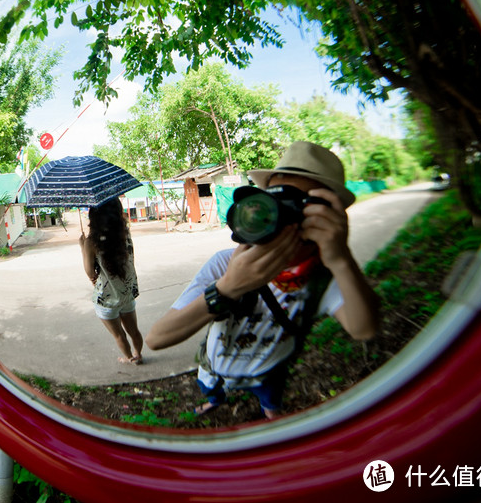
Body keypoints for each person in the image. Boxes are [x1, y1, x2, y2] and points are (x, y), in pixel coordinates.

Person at [145, 141, 379, 419]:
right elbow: (157, 339)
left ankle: (271, 415)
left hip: (270, 369)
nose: (280, 213)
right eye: (274, 200)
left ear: (330, 213)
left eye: (299, 203)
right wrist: (227, 287)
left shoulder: (323, 275)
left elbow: (364, 329)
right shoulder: (225, 263)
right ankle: (214, 401)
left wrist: (341, 257)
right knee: (211, 388)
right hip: (215, 365)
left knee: (271, 401)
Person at [80, 196, 145, 365]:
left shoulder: (91, 242)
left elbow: (90, 273)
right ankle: (138, 354)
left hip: (107, 299)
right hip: (127, 293)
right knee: (134, 331)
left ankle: (129, 358)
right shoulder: (125, 233)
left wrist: (82, 247)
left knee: (119, 335)